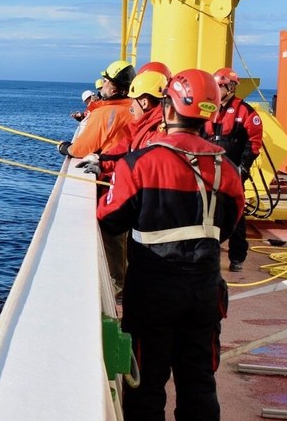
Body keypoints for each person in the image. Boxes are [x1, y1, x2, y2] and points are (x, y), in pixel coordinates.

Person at [97, 69, 245, 421]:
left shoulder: (141, 164)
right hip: (204, 292)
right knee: (198, 385)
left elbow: (110, 217)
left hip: (152, 293)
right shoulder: (227, 168)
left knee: (146, 387)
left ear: (169, 108)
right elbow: (229, 224)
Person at [61, 59, 136, 293]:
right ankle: (124, 281)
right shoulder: (132, 108)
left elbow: (80, 148)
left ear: (115, 88)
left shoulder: (107, 114)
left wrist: (64, 148)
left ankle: (118, 286)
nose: (101, 84)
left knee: (112, 234)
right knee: (126, 235)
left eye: (106, 81)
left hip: (111, 178)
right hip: (128, 176)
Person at [204, 67, 264, 272]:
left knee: (236, 212)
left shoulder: (245, 111)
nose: (216, 90)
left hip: (234, 169)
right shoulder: (209, 110)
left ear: (229, 87)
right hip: (210, 170)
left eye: (219, 86)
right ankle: (210, 250)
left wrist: (243, 168)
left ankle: (237, 256)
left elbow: (254, 143)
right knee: (208, 211)